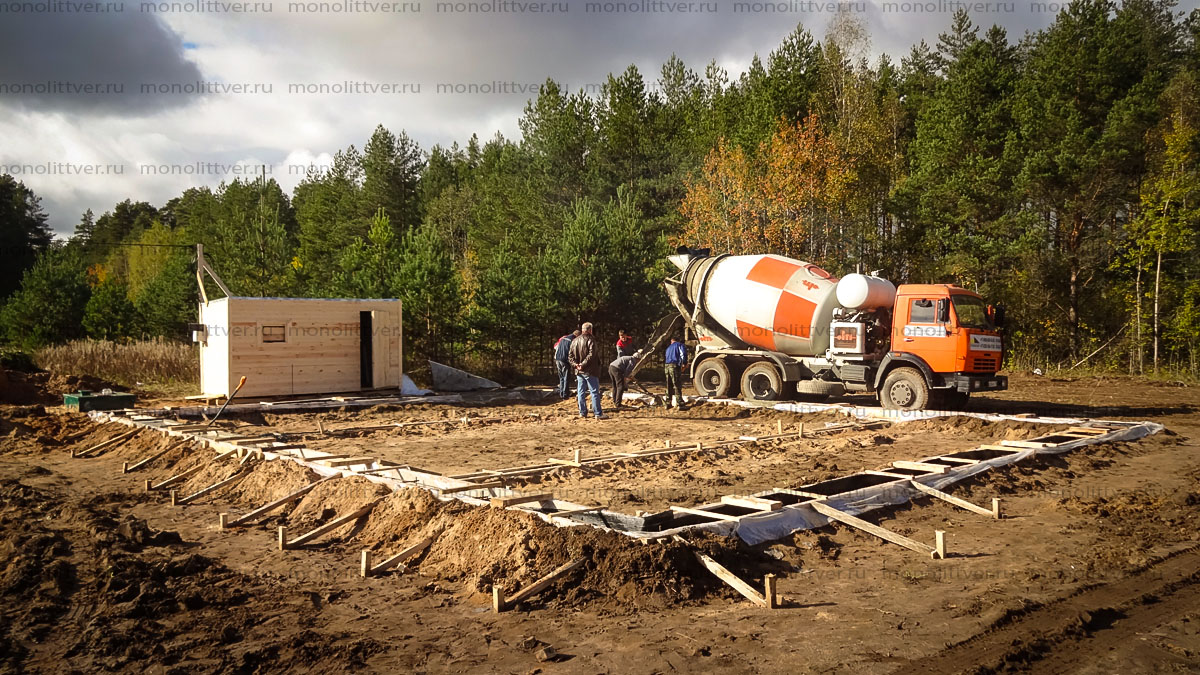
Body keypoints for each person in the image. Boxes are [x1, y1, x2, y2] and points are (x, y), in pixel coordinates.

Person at [569, 322, 606, 419]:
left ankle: (582, 412)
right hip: (590, 370)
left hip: (579, 371)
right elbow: (591, 355)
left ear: (582, 330)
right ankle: (598, 413)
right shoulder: (591, 340)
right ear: (590, 330)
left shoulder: (575, 340)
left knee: (580, 392)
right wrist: (583, 364)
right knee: (594, 392)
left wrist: (576, 365)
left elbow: (570, 356)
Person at [552, 329, 580, 399]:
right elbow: (573, 352)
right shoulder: (572, 341)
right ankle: (565, 394)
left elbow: (556, 347)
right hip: (565, 360)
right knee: (566, 378)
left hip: (558, 359)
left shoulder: (563, 339)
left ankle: (561, 393)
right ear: (576, 335)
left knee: (561, 377)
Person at [664, 335, 688, 408]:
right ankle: (680, 403)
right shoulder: (679, 345)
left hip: (666, 366)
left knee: (669, 384)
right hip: (674, 366)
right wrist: (684, 363)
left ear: (672, 341)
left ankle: (668, 403)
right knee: (677, 384)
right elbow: (683, 354)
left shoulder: (668, 348)